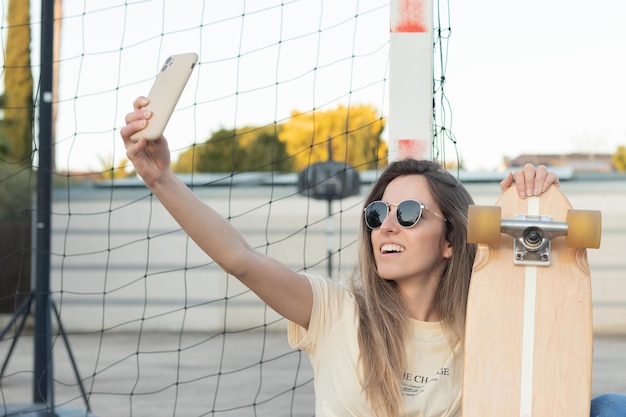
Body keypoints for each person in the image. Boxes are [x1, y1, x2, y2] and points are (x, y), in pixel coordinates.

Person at [121, 96, 626, 416]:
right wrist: (160, 177)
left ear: (452, 239)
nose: (385, 223)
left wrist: (533, 203)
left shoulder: (486, 327)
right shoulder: (336, 312)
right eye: (377, 212)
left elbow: (554, 355)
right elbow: (240, 258)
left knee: (609, 407)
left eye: (408, 213)